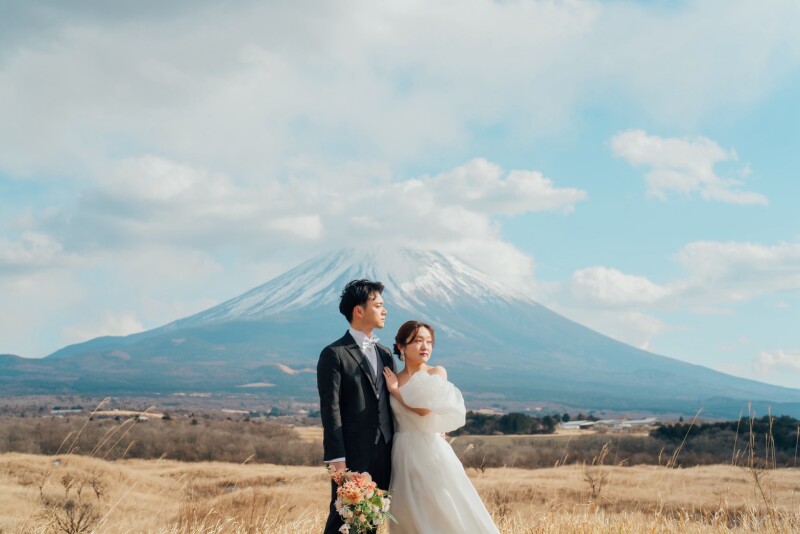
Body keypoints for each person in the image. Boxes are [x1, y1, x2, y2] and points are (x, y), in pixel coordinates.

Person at [382, 320, 499, 534]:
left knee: (441, 511)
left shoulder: (435, 372)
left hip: (430, 451)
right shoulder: (393, 378)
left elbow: (424, 409)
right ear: (401, 346)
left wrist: (396, 391)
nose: (425, 346)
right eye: (417, 341)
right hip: (400, 453)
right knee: (405, 514)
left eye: (429, 341)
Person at [317, 279, 396, 534]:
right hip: (352, 456)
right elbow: (331, 410)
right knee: (342, 520)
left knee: (372, 519)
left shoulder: (385, 353)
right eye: (379, 305)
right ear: (358, 311)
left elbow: (392, 402)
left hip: (385, 453)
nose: (385, 311)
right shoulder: (334, 354)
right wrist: (337, 460)